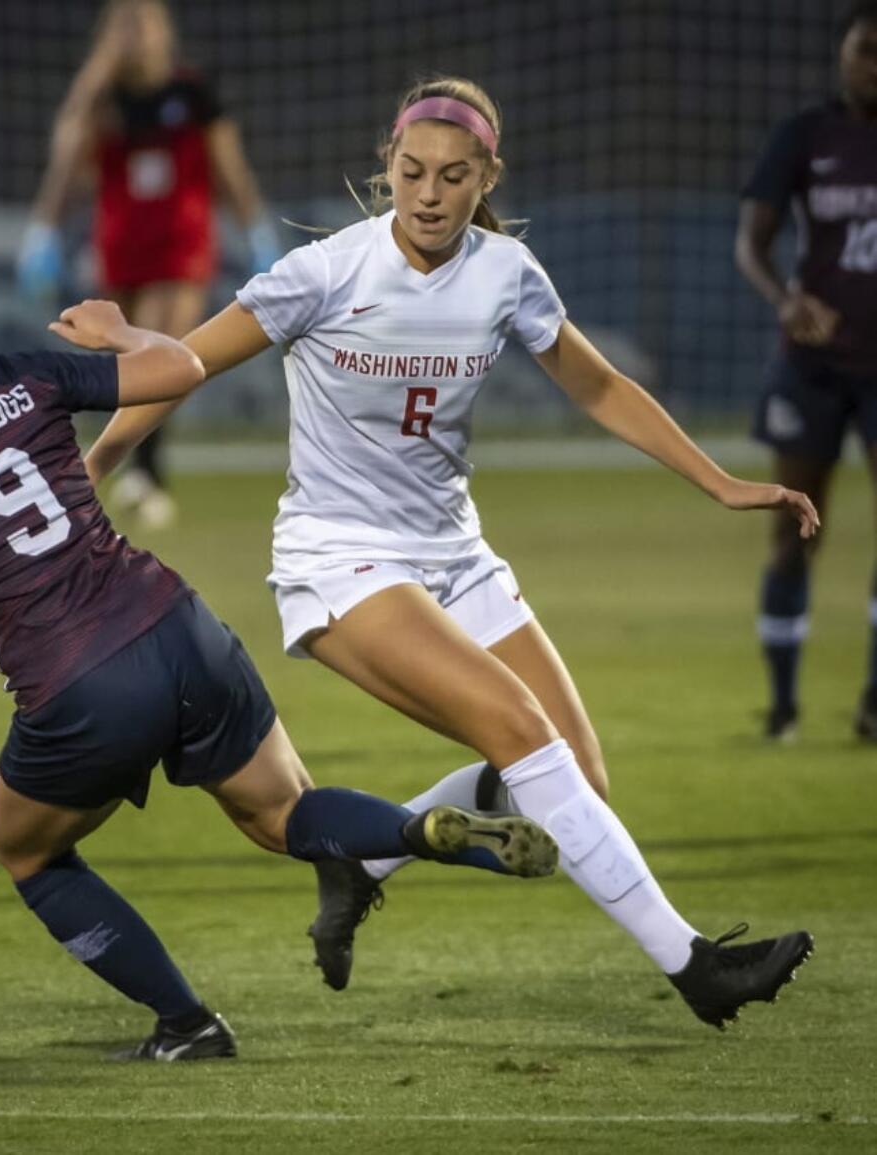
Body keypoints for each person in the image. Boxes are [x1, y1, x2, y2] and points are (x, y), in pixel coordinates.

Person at [0, 195, 558, 1062]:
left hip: (78, 681)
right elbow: (181, 370)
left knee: (26, 850)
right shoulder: (23, 372)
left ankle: (188, 1024)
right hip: (178, 624)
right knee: (284, 812)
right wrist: (121, 332)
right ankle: (415, 833)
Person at [82, 77, 821, 1028]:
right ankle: (697, 967)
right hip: (340, 559)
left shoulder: (506, 272)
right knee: (520, 733)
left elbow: (598, 388)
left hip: (456, 556)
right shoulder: (326, 273)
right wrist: (97, 460)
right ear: (386, 163)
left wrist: (718, 479)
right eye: (411, 171)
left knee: (575, 784)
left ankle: (365, 857)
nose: (428, 193)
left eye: (453, 176)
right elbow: (179, 365)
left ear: (487, 179)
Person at [17, 0, 279, 529]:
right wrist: (42, 231)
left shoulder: (192, 93)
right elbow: (68, 158)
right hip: (121, 247)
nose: (138, 35)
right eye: (126, 25)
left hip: (180, 247)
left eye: (146, 22)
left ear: (165, 30)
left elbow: (229, 168)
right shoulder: (103, 99)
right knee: (127, 363)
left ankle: (145, 474)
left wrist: (256, 231)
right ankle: (127, 471)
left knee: (167, 351)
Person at [735, 1, 877, 743]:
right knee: (795, 527)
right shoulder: (806, 134)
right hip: (813, 367)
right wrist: (786, 299)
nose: (870, 64)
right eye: (862, 49)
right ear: (843, 54)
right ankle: (784, 708)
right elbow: (751, 244)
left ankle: (874, 708)